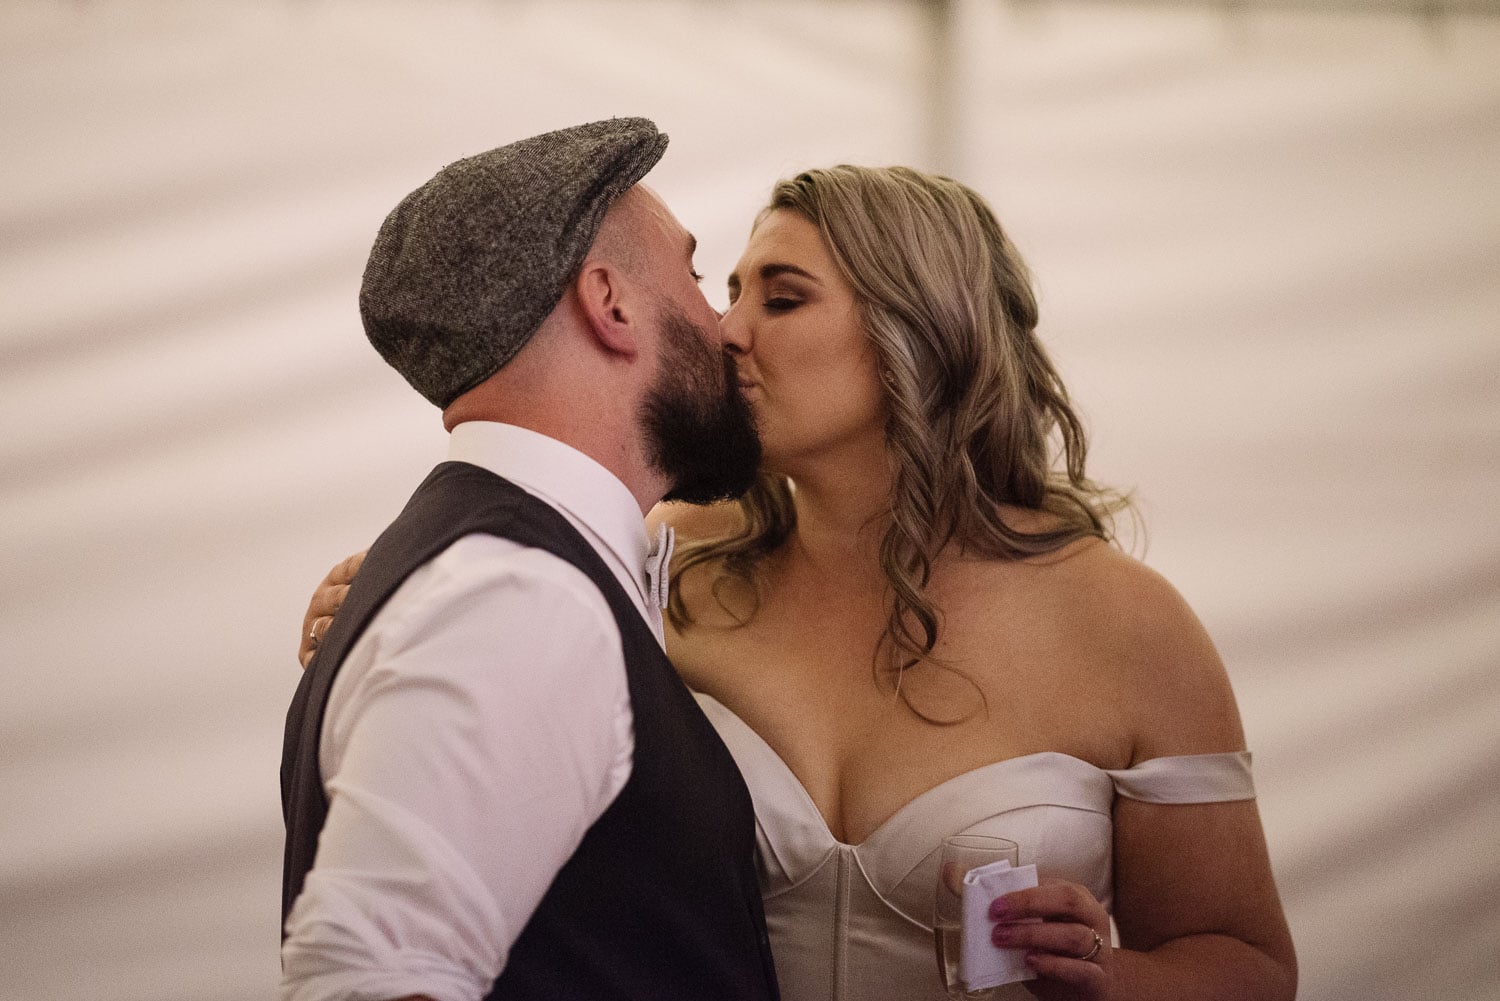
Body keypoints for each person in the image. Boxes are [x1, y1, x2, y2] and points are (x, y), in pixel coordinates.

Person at [302, 164, 1297, 1001]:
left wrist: (1115, 975)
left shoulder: (1126, 620)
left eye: (780, 297)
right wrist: (391, 606)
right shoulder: (663, 563)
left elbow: (1248, 959)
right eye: (730, 290)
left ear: (923, 329)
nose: (728, 331)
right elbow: (500, 655)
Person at [280, 118, 779, 1001]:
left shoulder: (513, 563)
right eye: (698, 277)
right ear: (610, 303)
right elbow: (371, 977)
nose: (724, 325)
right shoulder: (522, 593)